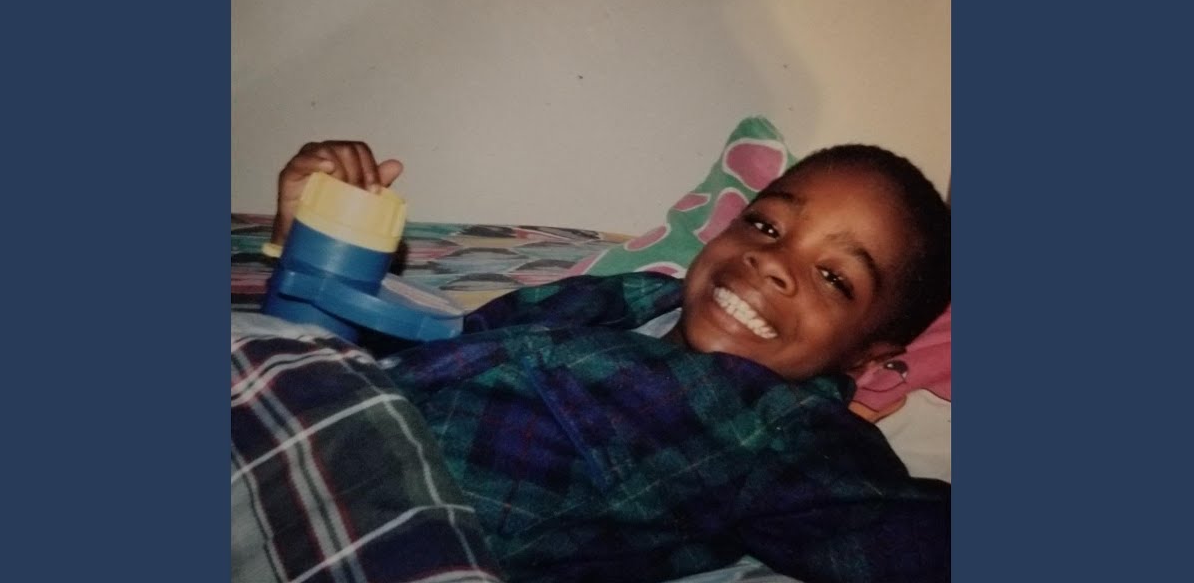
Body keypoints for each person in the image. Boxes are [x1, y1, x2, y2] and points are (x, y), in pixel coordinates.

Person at [250, 139, 951, 583]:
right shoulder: (614, 298)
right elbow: (415, 349)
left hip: (384, 532)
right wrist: (318, 247)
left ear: (869, 354)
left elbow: (909, 541)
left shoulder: (788, 431)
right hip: (307, 438)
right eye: (766, 224)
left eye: (834, 278)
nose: (772, 262)